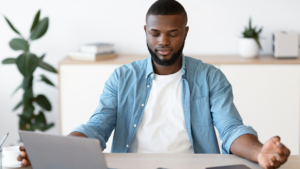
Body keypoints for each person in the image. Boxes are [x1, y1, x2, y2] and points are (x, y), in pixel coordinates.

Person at [18, 0, 290, 168]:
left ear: (185, 33)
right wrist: (57, 153)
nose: (163, 41)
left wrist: (258, 152)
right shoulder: (122, 77)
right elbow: (97, 127)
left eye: (172, 33)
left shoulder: (210, 77)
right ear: (145, 32)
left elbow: (231, 129)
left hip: (194, 167)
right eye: (155, 33)